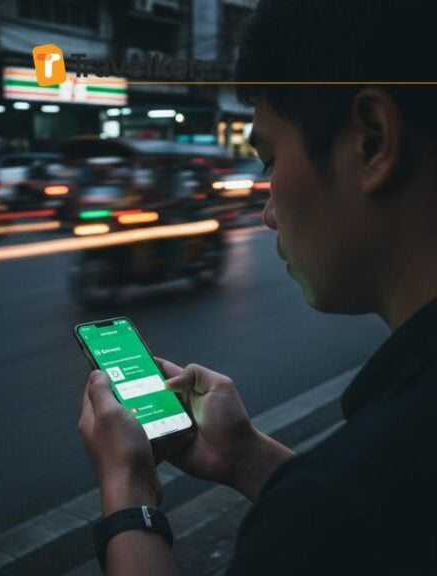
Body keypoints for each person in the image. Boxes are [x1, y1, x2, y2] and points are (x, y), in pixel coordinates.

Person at [77, 1, 437, 574]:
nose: (268, 211)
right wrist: (245, 457)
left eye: (269, 160)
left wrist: (128, 493)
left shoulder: (351, 491)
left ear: (372, 141)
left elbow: (345, 515)